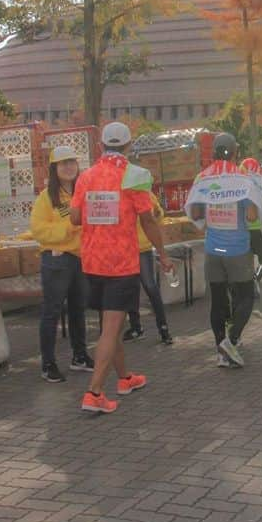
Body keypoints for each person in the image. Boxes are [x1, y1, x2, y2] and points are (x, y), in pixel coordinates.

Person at [70, 122, 173, 413]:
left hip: (91, 262)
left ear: (100, 146)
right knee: (111, 328)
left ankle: (125, 379)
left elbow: (75, 218)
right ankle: (94, 393)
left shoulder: (86, 177)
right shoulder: (134, 176)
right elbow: (148, 219)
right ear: (129, 146)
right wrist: (162, 253)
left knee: (111, 326)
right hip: (122, 263)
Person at [186, 133, 260, 368]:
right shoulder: (242, 177)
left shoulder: (202, 177)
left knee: (218, 301)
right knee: (246, 296)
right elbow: (251, 215)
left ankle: (221, 350)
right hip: (238, 248)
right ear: (235, 151)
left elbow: (195, 213)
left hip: (213, 248)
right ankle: (233, 340)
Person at [30, 145, 94, 382]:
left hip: (81, 258)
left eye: (72, 162)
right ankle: (48, 364)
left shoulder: (84, 193)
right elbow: (38, 230)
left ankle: (80, 356)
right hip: (56, 260)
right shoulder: (46, 198)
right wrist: (68, 228)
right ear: (54, 168)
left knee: (78, 309)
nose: (68, 167)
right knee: (52, 311)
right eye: (63, 163)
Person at [124, 193, 173, 344]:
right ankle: (146, 328)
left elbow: (156, 217)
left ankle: (152, 329)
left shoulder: (140, 192)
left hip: (136, 247)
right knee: (140, 288)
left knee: (144, 287)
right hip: (133, 247)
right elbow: (157, 216)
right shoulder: (144, 192)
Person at [240, 157, 262, 282]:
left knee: (247, 260)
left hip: (244, 227)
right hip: (261, 229)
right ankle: (255, 280)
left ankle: (248, 283)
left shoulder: (239, 183)